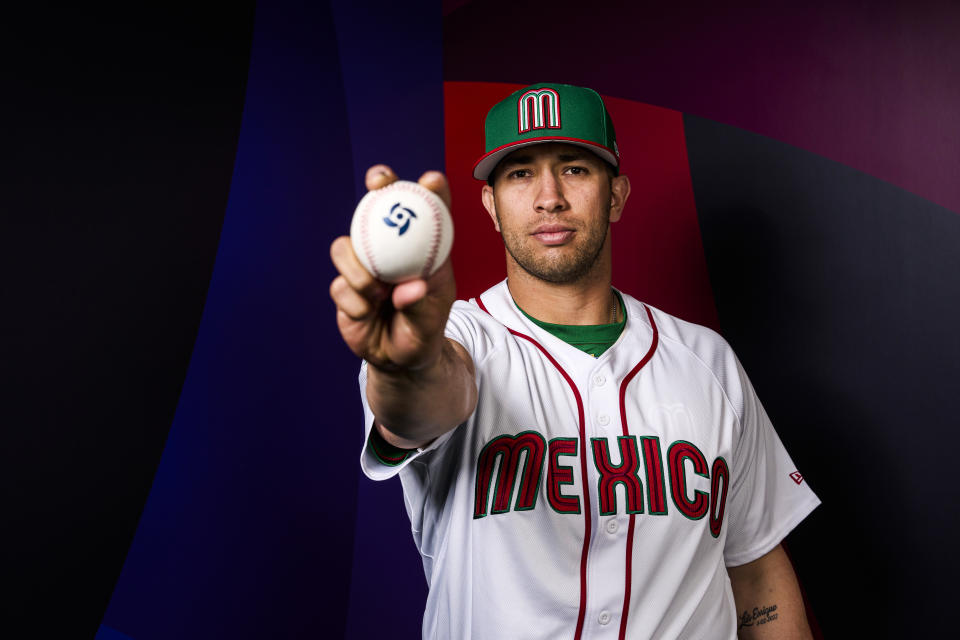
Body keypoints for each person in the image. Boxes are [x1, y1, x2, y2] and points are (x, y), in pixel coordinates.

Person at [329, 82, 820, 639]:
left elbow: (756, 572)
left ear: (616, 194)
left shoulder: (708, 362)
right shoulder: (457, 339)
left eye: (574, 169)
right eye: (519, 173)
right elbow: (422, 406)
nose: (548, 198)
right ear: (490, 205)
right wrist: (405, 367)